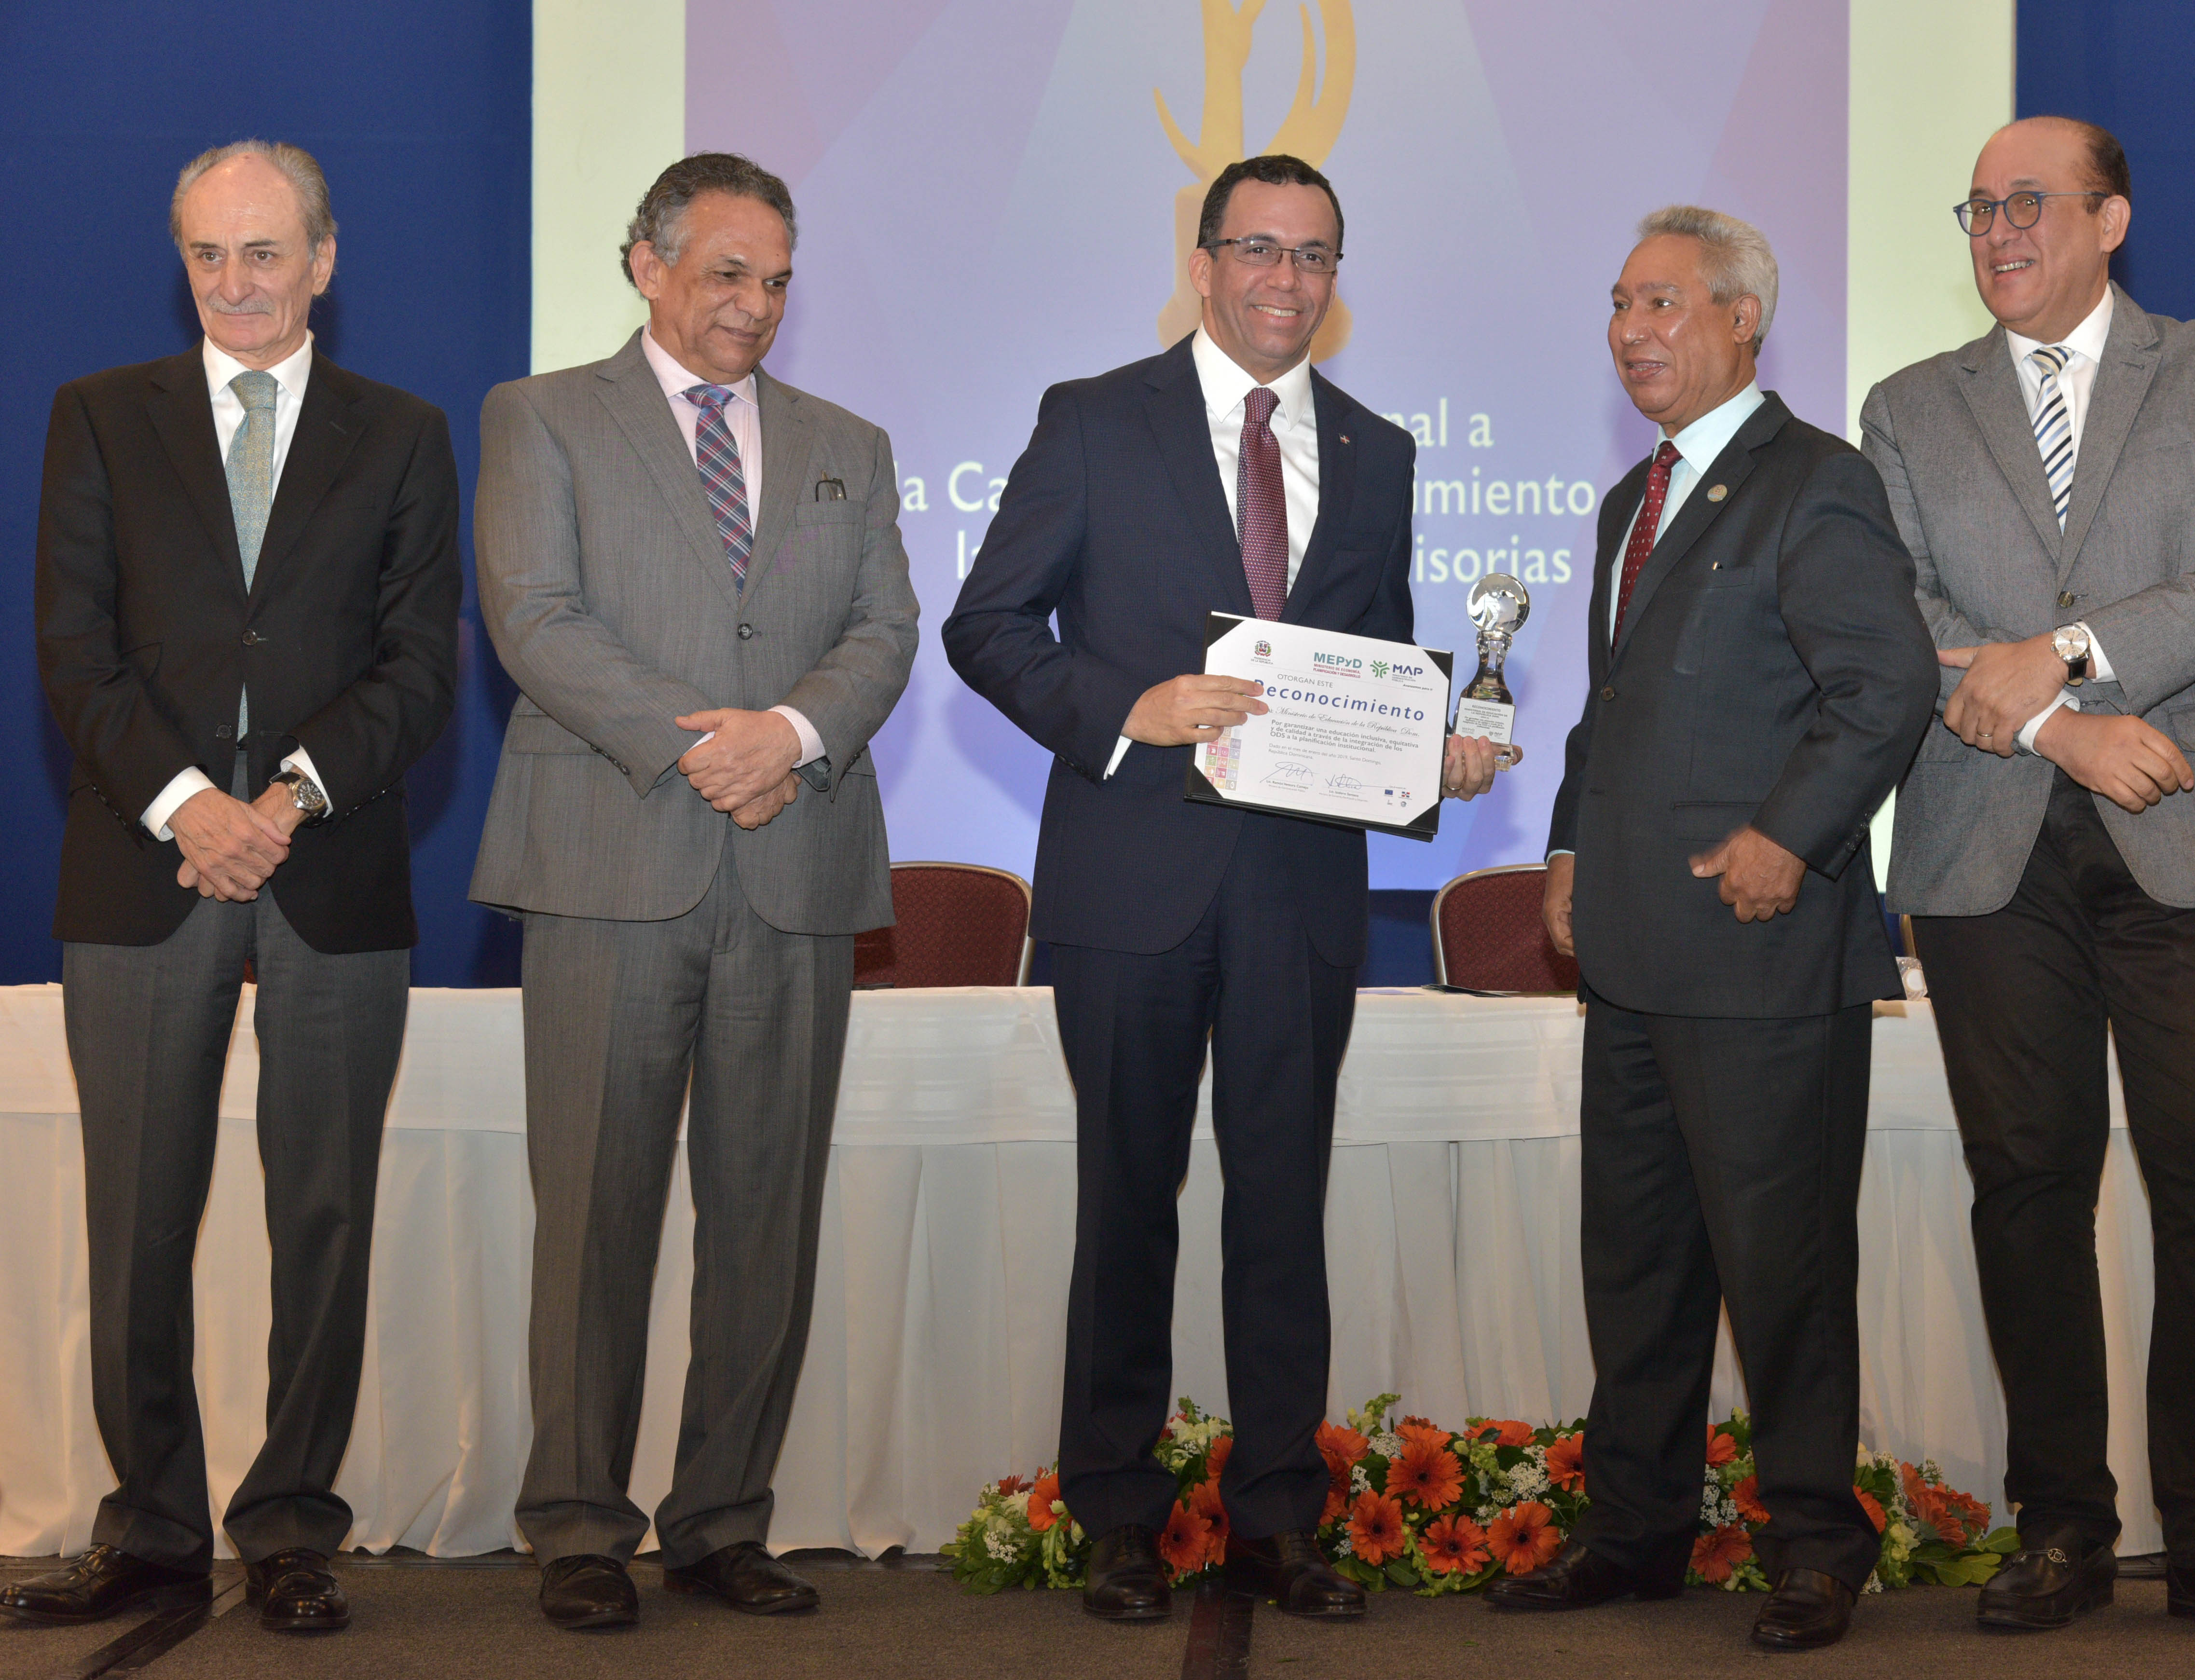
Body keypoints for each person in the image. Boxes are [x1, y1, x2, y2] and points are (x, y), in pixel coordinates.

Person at [945, 153, 1506, 1625]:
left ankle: (1278, 1518)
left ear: (1336, 279)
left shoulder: (1379, 452)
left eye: (1312, 255)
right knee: (1125, 1205)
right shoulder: (1092, 419)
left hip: (1299, 893)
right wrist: (1122, 709)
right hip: (1128, 881)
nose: (1284, 279)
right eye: (1257, 249)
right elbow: (986, 625)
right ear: (1201, 266)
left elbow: (1373, 669)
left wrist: (1431, 755)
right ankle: (1116, 1511)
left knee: (1280, 1213)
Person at [1860, 117, 2195, 1645]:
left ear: (2110, 218)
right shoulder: (1906, 406)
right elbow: (1893, 616)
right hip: (1986, 837)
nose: (1996, 229)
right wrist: (2059, 725)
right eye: (1975, 207)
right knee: (2026, 1177)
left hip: (2189, 823)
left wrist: (2068, 653)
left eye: (2028, 201)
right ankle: (2061, 1524)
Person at [8, 141, 460, 1635]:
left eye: (264, 252)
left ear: (322, 259)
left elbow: (421, 664)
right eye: (208, 253)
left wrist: (284, 802)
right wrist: (192, 807)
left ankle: (290, 1528)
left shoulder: (403, 433)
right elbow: (74, 646)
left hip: (332, 864)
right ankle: (148, 1529)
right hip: (145, 864)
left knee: (323, 1216)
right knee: (136, 1216)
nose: (235, 282)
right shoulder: (98, 415)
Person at [469, 152, 918, 1631]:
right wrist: (710, 746)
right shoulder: (540, 416)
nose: (755, 305)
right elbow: (535, 617)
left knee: (764, 1221)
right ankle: (577, 1525)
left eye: (777, 280)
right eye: (728, 272)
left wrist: (788, 734)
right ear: (646, 265)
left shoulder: (849, 442)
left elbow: (884, 628)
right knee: (592, 1219)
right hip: (609, 864)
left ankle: (722, 1519)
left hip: (793, 867)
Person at [1490, 208, 1936, 1651]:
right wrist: (1568, 847)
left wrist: (1787, 837)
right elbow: (1609, 710)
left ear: (1745, 320)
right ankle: (1633, 1534)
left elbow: (1885, 685)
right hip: (1629, 953)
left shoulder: (1818, 482)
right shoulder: (1632, 500)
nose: (1631, 331)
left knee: (1782, 1268)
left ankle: (1816, 1544)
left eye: (1664, 303)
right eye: (1620, 304)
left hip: (1760, 952)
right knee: (1638, 1269)